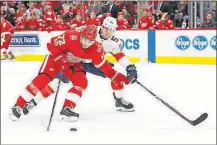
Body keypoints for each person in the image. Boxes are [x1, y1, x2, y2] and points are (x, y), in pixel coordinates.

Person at [10, 26, 129, 122]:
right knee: (44, 79)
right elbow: (50, 44)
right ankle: (18, 105)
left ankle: (67, 108)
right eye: (84, 39)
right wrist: (60, 57)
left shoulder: (97, 49)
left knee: (82, 81)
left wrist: (119, 77)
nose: (86, 43)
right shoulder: (70, 36)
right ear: (81, 35)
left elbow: (105, 68)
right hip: (55, 59)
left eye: (90, 41)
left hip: (73, 64)